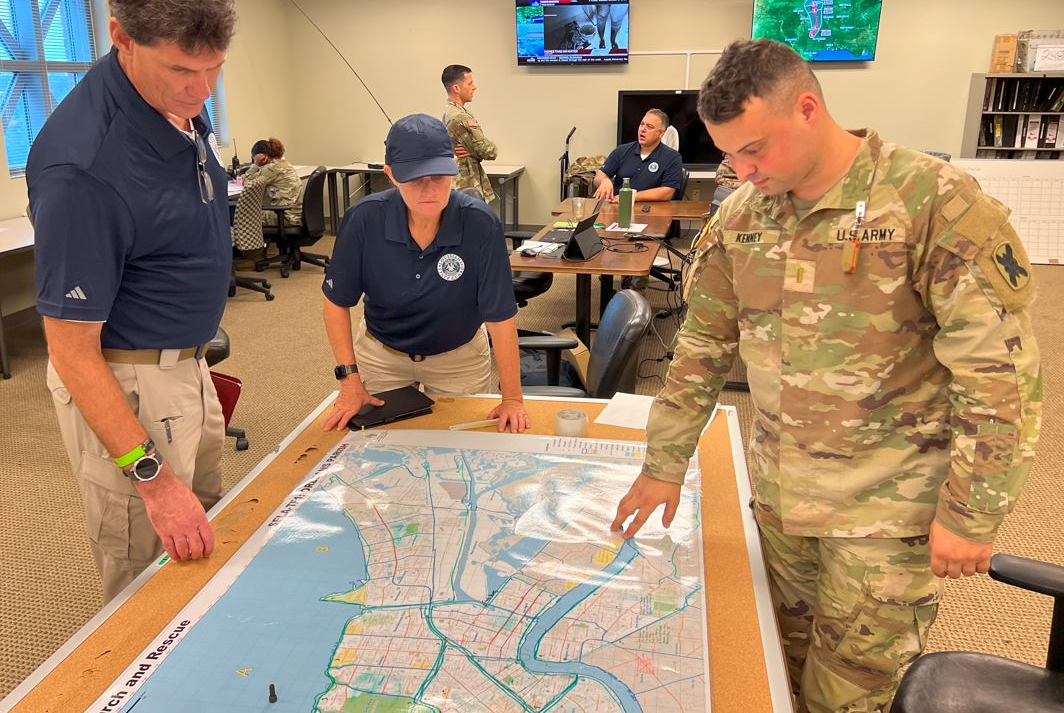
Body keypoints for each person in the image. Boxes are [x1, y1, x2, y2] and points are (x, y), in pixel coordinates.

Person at [611, 39, 1041, 713]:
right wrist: (664, 461)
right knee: (774, 668)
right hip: (782, 503)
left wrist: (973, 510)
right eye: (730, 155)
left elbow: (1001, 374)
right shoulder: (742, 216)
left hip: (884, 515)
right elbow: (701, 345)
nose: (743, 169)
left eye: (756, 149)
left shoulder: (932, 201)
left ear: (808, 108)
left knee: (849, 695)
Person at [27, 0, 237, 602]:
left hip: (188, 369)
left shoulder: (178, 104)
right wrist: (152, 475)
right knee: (149, 581)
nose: (202, 92)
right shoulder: (82, 166)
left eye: (215, 69)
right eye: (183, 70)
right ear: (121, 36)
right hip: (129, 386)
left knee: (207, 546)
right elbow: (70, 350)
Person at [321, 113, 528, 435]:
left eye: (439, 176)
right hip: (382, 353)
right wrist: (349, 379)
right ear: (390, 175)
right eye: (415, 179)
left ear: (454, 171)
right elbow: (336, 302)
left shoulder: (480, 224)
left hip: (459, 355)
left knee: (465, 447)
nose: (429, 190)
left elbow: (500, 317)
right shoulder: (363, 220)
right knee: (377, 449)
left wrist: (512, 398)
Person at [592, 109, 683, 203]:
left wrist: (631, 196)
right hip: (617, 207)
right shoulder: (622, 150)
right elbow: (600, 176)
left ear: (661, 133)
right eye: (642, 124)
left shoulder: (672, 157)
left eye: (649, 127)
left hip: (651, 211)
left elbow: (667, 192)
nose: (642, 129)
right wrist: (604, 181)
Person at [442, 64, 497, 202]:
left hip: (464, 183)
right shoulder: (459, 117)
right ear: (456, 88)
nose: (474, 87)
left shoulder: (451, 112)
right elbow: (489, 151)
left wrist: (472, 151)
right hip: (466, 185)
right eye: (470, 83)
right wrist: (480, 150)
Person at [245, 137, 302, 226]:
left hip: (283, 217)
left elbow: (247, 183)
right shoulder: (283, 163)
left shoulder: (271, 168)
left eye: (254, 158)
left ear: (263, 156)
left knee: (240, 215)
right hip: (293, 215)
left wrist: (255, 164)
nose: (254, 160)